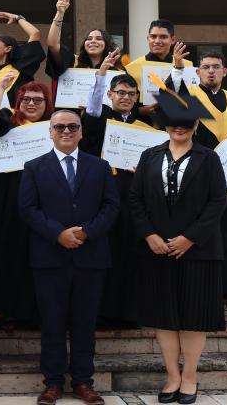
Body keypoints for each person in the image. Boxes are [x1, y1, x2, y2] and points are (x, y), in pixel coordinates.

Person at [129, 90, 227, 405]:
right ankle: (172, 375)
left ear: (196, 124)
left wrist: (190, 237)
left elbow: (217, 202)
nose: (179, 128)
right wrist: (149, 235)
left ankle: (190, 376)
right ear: (165, 124)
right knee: (165, 316)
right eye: (173, 123)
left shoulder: (208, 158)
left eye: (185, 123)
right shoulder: (150, 156)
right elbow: (136, 199)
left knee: (194, 316)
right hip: (157, 249)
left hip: (198, 250)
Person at [18, 110, 120, 405]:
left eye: (72, 126)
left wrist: (86, 232)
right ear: (49, 132)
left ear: (81, 132)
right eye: (59, 126)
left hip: (91, 258)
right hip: (49, 257)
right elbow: (27, 208)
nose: (66, 131)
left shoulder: (100, 166)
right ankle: (52, 383)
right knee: (52, 322)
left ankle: (83, 382)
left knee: (85, 323)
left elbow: (112, 206)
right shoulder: (34, 167)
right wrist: (58, 233)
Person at [169, 50, 227, 300]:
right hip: (195, 171)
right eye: (206, 67)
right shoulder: (190, 95)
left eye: (216, 66)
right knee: (197, 225)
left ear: (224, 71)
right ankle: (197, 285)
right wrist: (177, 67)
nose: (211, 71)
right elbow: (169, 101)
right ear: (197, 72)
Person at [0, 70, 52, 324]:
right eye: (26, 99)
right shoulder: (8, 121)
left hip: (44, 201)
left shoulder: (56, 126)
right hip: (7, 197)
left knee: (37, 255)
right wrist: (1, 89)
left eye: (38, 100)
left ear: (47, 104)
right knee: (3, 250)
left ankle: (31, 313)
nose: (31, 103)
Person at [81, 50, 153, 327]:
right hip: (103, 196)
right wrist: (101, 75)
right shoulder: (99, 120)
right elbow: (93, 108)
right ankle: (102, 312)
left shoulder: (147, 127)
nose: (126, 97)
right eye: (120, 92)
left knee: (131, 254)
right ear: (110, 95)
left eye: (131, 94)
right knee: (104, 253)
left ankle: (129, 312)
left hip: (134, 197)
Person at [46, 0, 121, 81]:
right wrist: (60, 13)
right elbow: (53, 45)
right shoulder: (73, 62)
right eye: (89, 39)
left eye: (99, 38)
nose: (93, 41)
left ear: (107, 45)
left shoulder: (118, 72)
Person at [123, 20, 193, 117]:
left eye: (163, 37)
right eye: (153, 36)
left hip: (177, 125)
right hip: (145, 124)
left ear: (172, 40)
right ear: (148, 38)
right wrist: (140, 111)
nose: (157, 41)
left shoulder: (187, 66)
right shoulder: (132, 68)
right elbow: (124, 102)